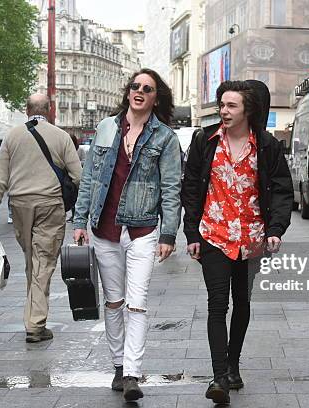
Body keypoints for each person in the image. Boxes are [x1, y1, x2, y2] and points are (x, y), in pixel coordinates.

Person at [73, 68, 181, 402]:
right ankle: (118, 365)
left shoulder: (164, 137)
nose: (139, 92)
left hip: (143, 229)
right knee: (114, 302)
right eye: (135, 86)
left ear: (155, 97)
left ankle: (133, 372)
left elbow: (171, 188)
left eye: (147, 89)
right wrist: (79, 220)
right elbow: (90, 178)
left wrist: (168, 234)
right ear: (128, 91)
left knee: (137, 303)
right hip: (104, 228)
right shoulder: (106, 127)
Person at [182, 80, 293, 404]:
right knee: (217, 304)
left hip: (252, 237)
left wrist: (275, 229)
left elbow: (281, 189)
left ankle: (233, 366)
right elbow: (190, 188)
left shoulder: (268, 145)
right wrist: (192, 234)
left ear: (247, 110)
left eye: (231, 106)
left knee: (242, 302)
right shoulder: (205, 141)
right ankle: (219, 378)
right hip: (214, 234)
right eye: (222, 105)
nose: (224, 111)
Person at [0, 94, 82, 344]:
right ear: (49, 110)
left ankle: (34, 316)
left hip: (19, 205)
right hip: (50, 204)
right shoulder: (61, 136)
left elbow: (0, 178)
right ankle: (35, 324)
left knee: (33, 262)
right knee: (43, 263)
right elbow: (79, 176)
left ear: (27, 109)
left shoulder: (12, 136)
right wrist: (82, 211)